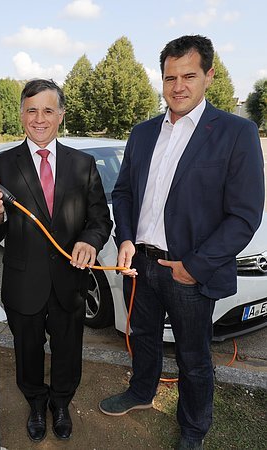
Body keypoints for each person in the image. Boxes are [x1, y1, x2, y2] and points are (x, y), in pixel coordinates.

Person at [99, 35, 264, 450]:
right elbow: (123, 194)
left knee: (194, 359)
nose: (178, 86)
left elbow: (244, 214)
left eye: (188, 75)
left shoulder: (236, 133)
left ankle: (193, 429)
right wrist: (126, 238)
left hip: (187, 271)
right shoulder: (142, 133)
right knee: (143, 338)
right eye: (170, 77)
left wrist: (196, 265)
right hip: (141, 264)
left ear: (209, 76)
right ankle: (140, 393)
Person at [0, 79, 112, 442]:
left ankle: (61, 402)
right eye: (32, 110)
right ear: (22, 114)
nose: (40, 119)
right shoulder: (1, 164)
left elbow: (101, 219)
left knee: (68, 349)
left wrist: (90, 242)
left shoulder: (83, 164)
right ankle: (36, 402)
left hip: (70, 280)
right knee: (27, 350)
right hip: (24, 281)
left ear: (61, 116)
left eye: (48, 110)